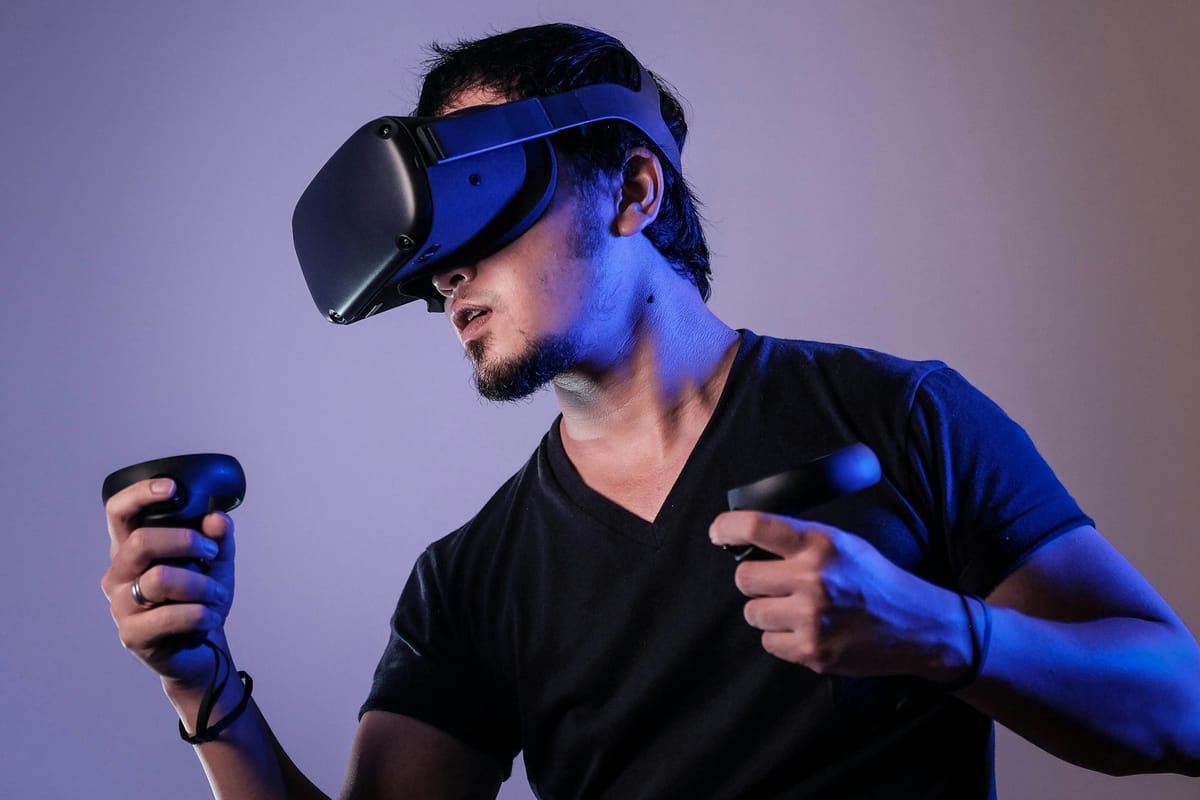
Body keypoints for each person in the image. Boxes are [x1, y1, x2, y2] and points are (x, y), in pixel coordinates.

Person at [101, 22, 1200, 799]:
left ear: (634, 190)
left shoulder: (902, 416)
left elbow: (1180, 708)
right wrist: (206, 689)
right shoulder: (471, 581)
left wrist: (937, 632)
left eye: (481, 204)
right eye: (432, 245)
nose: (446, 271)